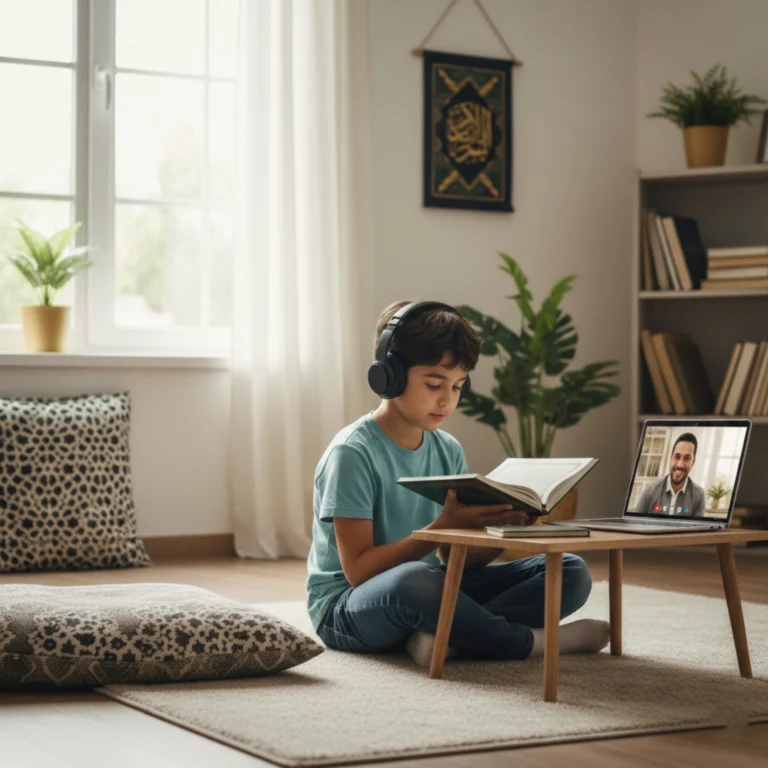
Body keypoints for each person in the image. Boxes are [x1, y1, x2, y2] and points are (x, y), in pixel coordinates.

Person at [306, 299, 609, 667]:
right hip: (348, 608)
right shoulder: (352, 453)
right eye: (435, 384)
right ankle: (528, 642)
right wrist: (439, 530)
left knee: (569, 570)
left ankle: (443, 635)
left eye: (457, 386)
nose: (447, 400)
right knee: (415, 581)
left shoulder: (446, 448)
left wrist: (498, 527)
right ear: (390, 374)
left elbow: (458, 561)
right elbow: (358, 571)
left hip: (427, 588)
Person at [635, 433, 706, 517]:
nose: (680, 464)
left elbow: (698, 530)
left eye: (687, 458)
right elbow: (635, 525)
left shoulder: (699, 495)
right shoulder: (649, 491)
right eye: (677, 456)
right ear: (671, 458)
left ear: (693, 462)